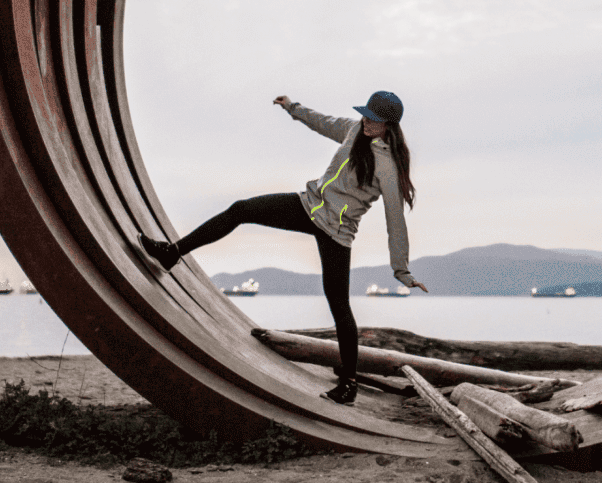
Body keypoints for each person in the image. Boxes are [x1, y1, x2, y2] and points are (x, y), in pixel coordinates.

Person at [137, 90, 423, 406]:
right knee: (241, 209)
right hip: (308, 206)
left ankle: (349, 384)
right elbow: (324, 122)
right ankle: (172, 253)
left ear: (389, 126)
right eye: (366, 114)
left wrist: (402, 270)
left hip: (337, 231)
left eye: (375, 119)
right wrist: (293, 108)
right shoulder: (355, 129)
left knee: (339, 304)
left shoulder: (387, 165)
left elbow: (395, 220)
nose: (367, 121)